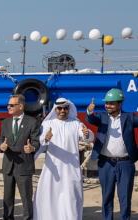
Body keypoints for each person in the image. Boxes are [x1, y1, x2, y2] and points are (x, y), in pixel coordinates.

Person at [33, 98, 94, 220]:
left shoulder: (76, 123)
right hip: (52, 168)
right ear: (55, 109)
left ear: (68, 109)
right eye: (59, 108)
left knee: (71, 196)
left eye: (65, 108)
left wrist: (87, 134)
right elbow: (41, 141)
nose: (62, 110)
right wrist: (46, 138)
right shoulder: (47, 124)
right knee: (49, 195)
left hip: (71, 168)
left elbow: (87, 136)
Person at [86, 88, 138, 220]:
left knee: (125, 197)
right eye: (106, 103)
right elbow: (90, 120)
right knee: (107, 196)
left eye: (111, 103)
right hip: (106, 163)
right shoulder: (101, 116)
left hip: (125, 163)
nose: (107, 105)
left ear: (120, 104)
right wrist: (90, 111)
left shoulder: (130, 117)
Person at [0, 94, 40, 220]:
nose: (8, 107)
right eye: (8, 105)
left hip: (24, 166)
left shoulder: (32, 122)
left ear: (20, 106)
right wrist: (1, 146)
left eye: (12, 105)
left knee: (26, 198)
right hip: (8, 166)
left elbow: (36, 141)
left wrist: (32, 148)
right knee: (7, 198)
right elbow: (0, 139)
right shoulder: (6, 122)